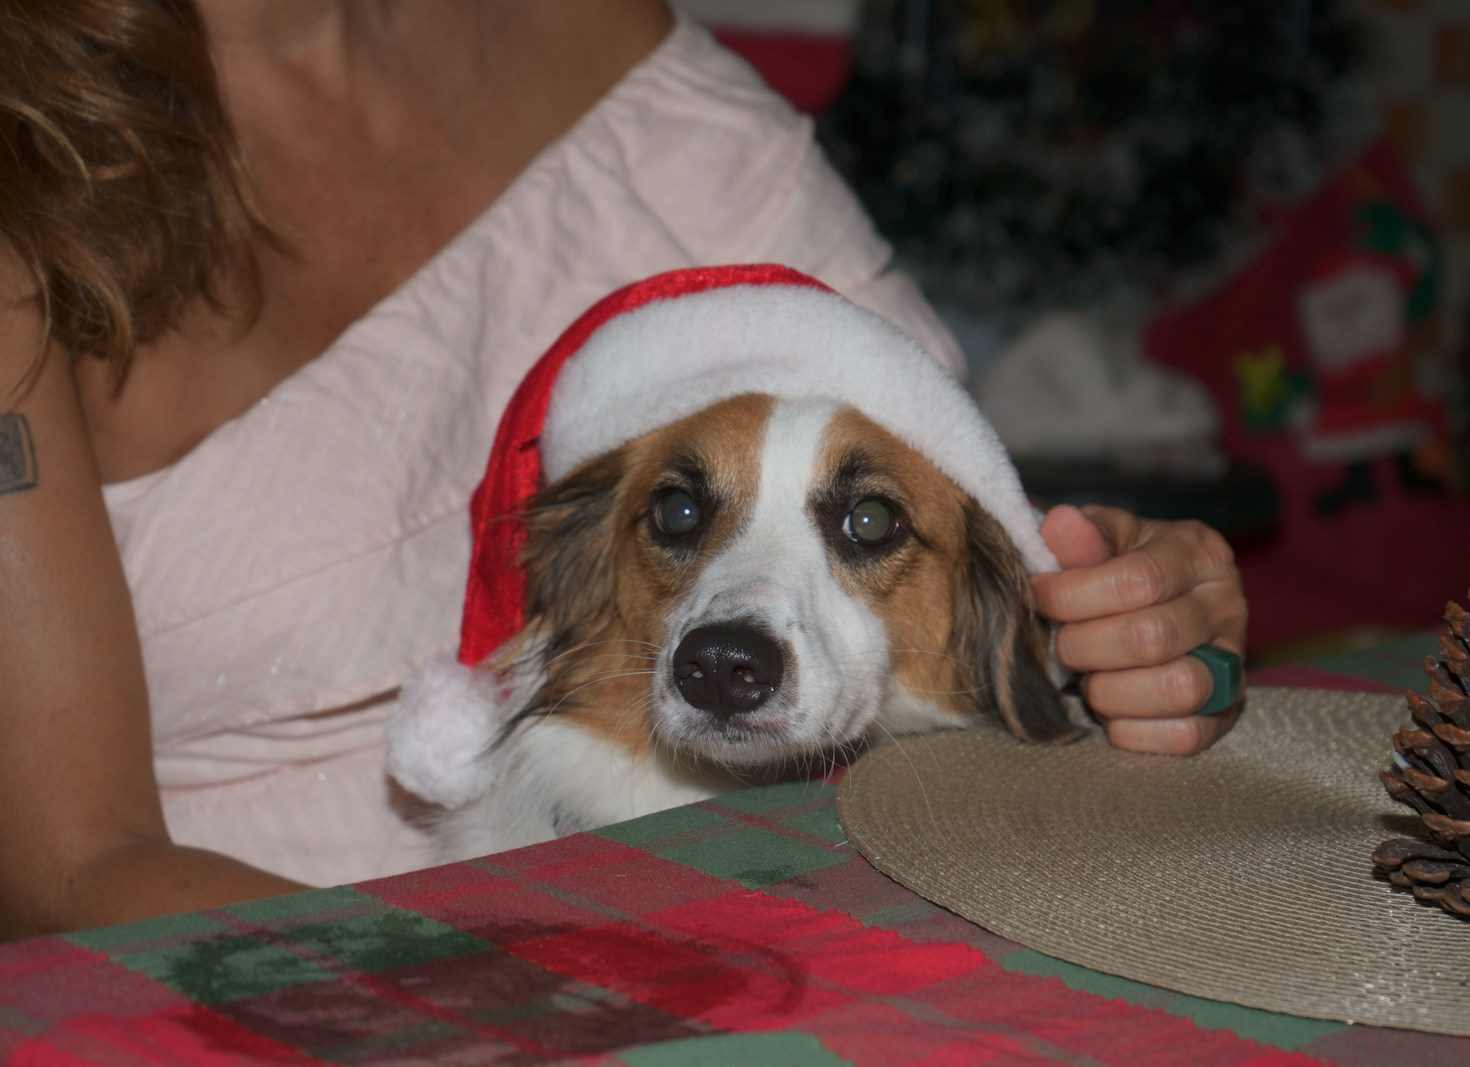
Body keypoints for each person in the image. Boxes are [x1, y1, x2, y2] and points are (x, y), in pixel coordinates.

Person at [0, 0, 1246, 939]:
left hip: (798, 909)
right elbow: (75, 865)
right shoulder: (24, 191)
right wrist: (524, 1003)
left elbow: (942, 512)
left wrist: (1120, 609)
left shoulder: (601, 32)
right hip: (291, 979)